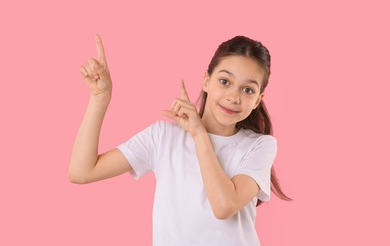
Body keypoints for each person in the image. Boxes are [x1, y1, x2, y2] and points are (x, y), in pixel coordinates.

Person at [69, 35, 291, 245]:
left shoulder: (260, 146)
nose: (234, 97)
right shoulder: (163, 137)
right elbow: (82, 172)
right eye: (224, 81)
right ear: (206, 80)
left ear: (257, 100)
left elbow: (224, 205)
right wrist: (100, 99)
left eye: (248, 90)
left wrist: (198, 134)